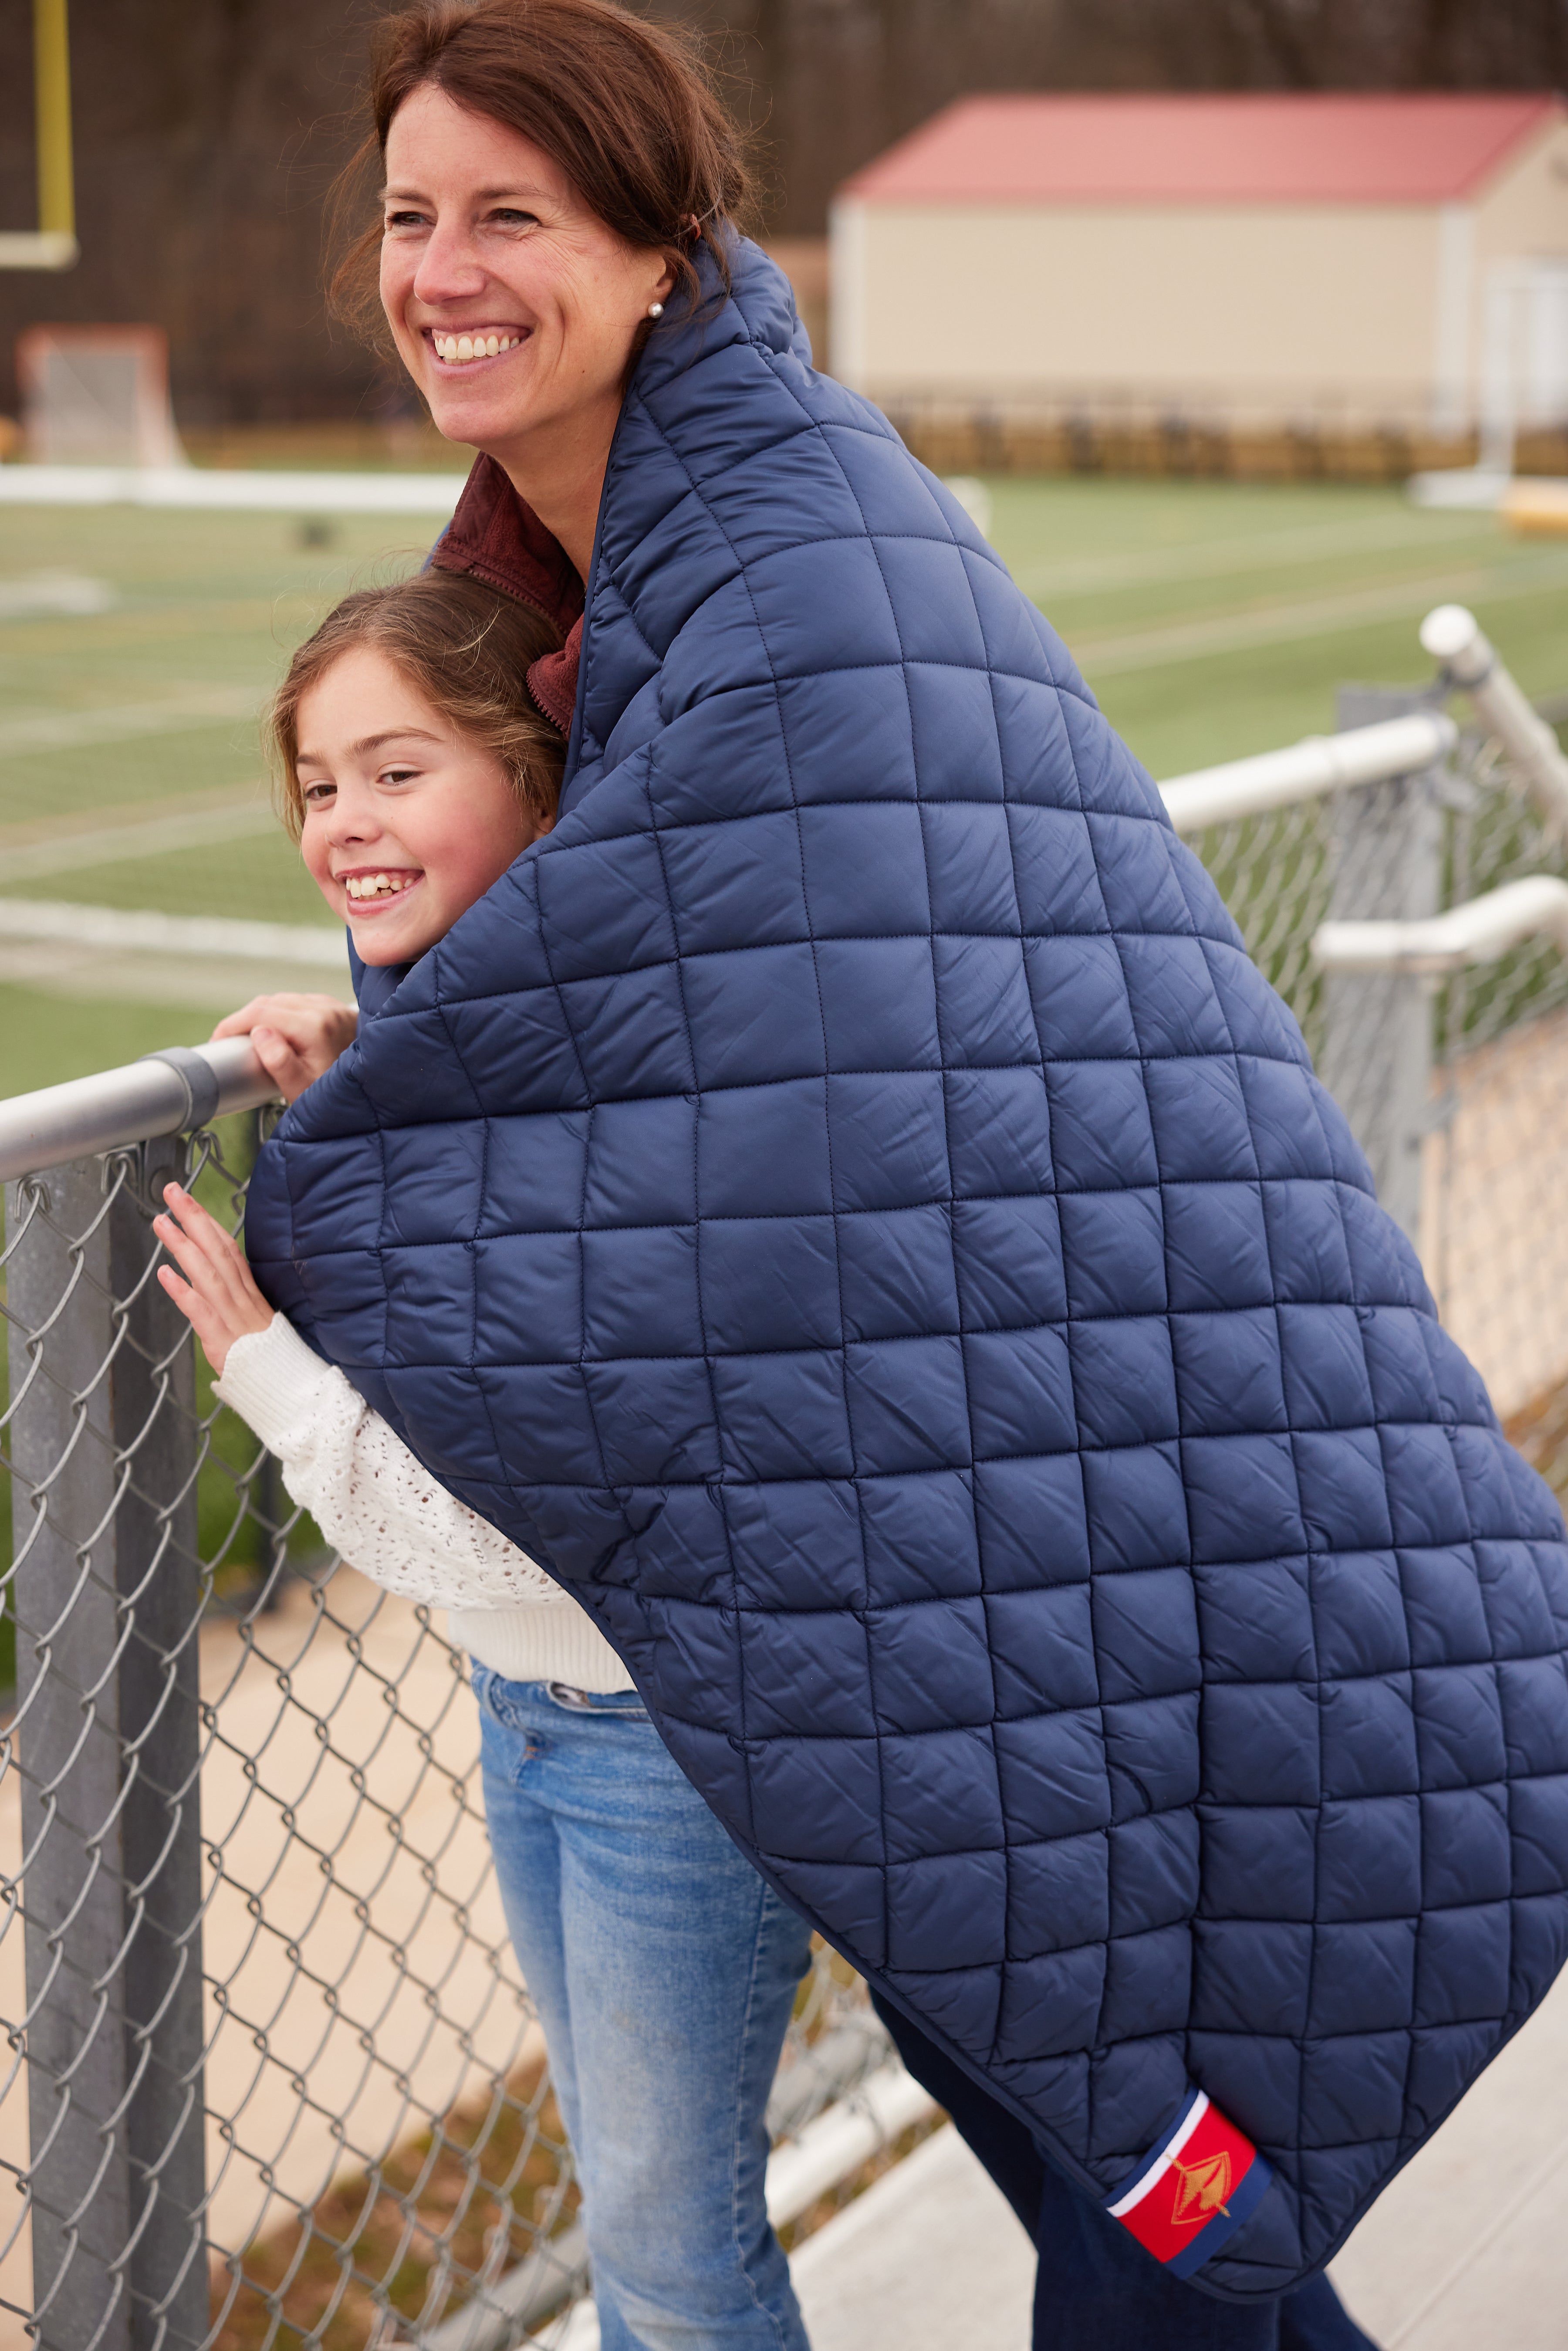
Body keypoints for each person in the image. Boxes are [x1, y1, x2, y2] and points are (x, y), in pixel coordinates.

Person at [233, 0, 1568, 2338]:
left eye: (512, 215)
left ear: (661, 248)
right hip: (986, 1514)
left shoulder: (782, 564)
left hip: (1072, 1509)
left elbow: (783, 1088)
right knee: (1151, 2194)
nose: (441, 268)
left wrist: (393, 1147)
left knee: (1155, 2212)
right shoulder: (630, 565)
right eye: (412, 214)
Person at [157, 569, 814, 2351]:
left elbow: (520, 1537)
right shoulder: (477, 1024)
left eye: (399, 771)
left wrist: (267, 1371)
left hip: (667, 1737)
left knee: (673, 2255)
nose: (346, 824)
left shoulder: (608, 1057)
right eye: (319, 786)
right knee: (643, 2224)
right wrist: (358, 1068)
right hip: (541, 1713)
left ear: (531, 778)